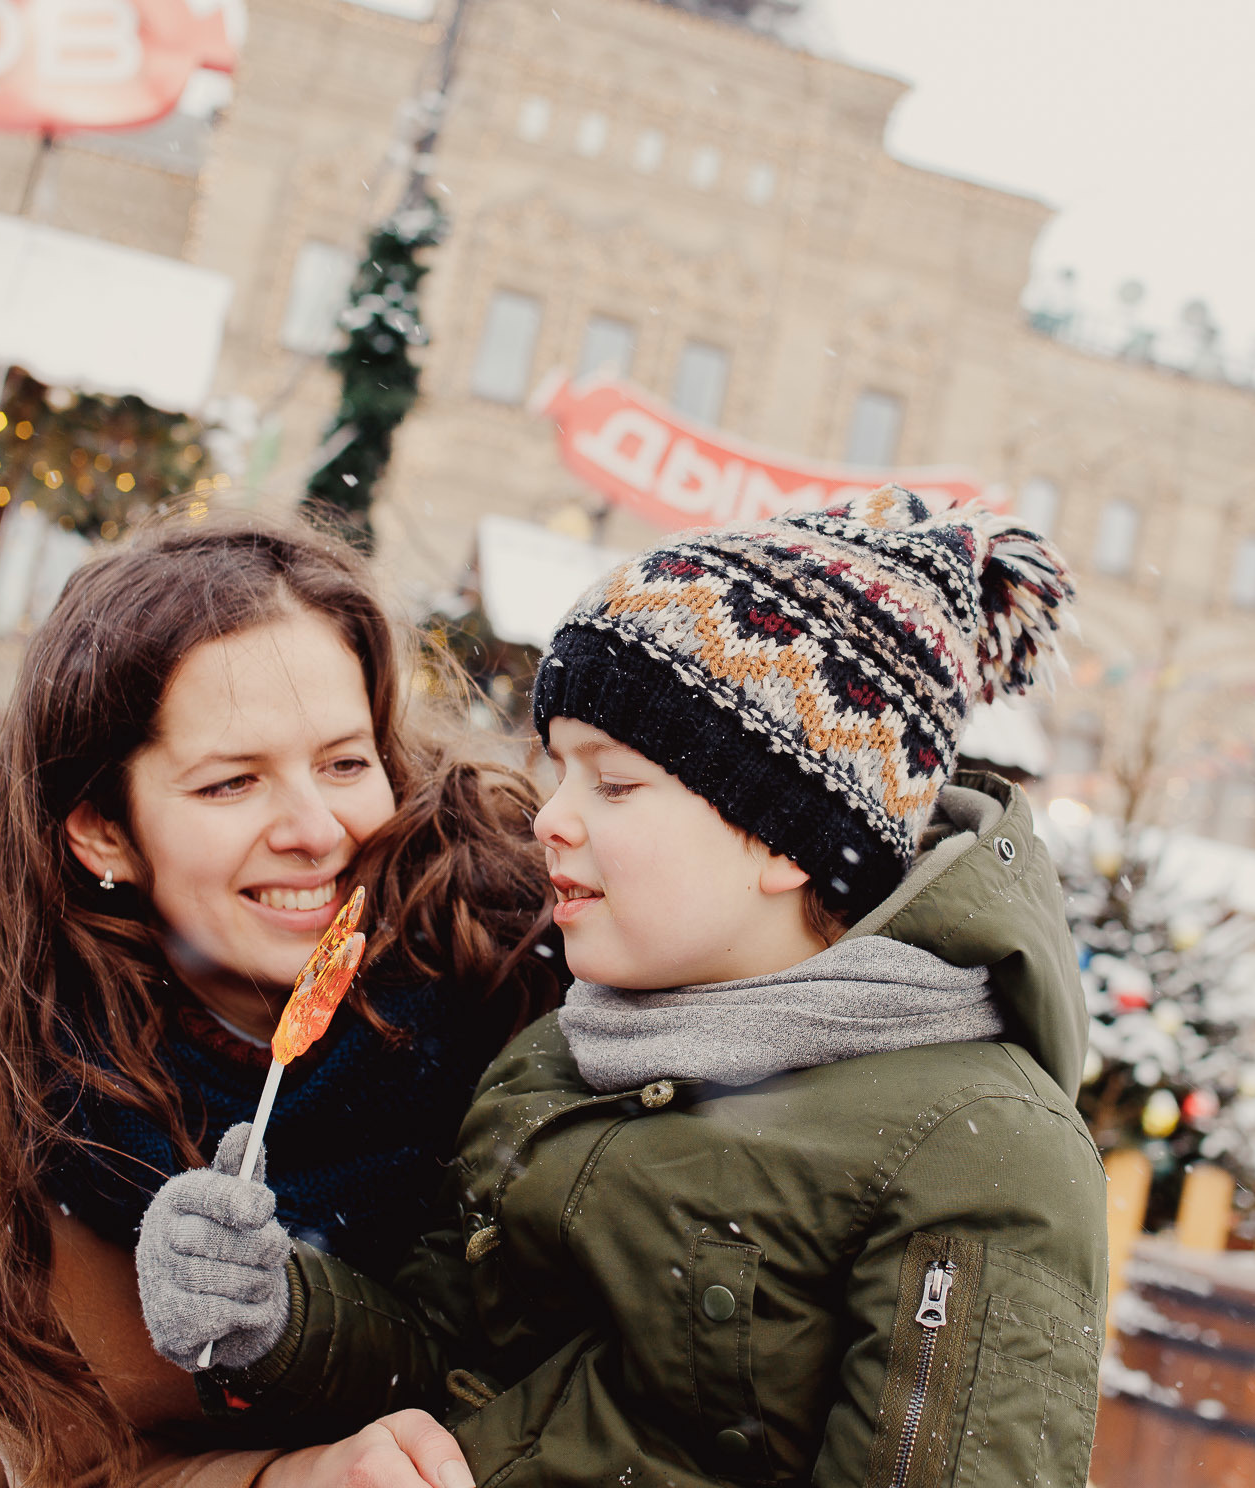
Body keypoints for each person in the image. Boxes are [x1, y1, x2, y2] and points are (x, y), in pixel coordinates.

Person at [136, 488, 1110, 1488]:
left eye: (613, 782)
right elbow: (443, 1362)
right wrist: (281, 1312)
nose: (550, 817)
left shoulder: (979, 1152)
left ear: (782, 831)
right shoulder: (557, 1058)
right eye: (558, 771)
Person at [0, 517, 561, 1488]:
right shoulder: (0, 1078)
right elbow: (79, 1463)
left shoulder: (513, 964)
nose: (316, 828)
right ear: (101, 832)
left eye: (343, 761)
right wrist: (302, 1477)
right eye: (231, 782)